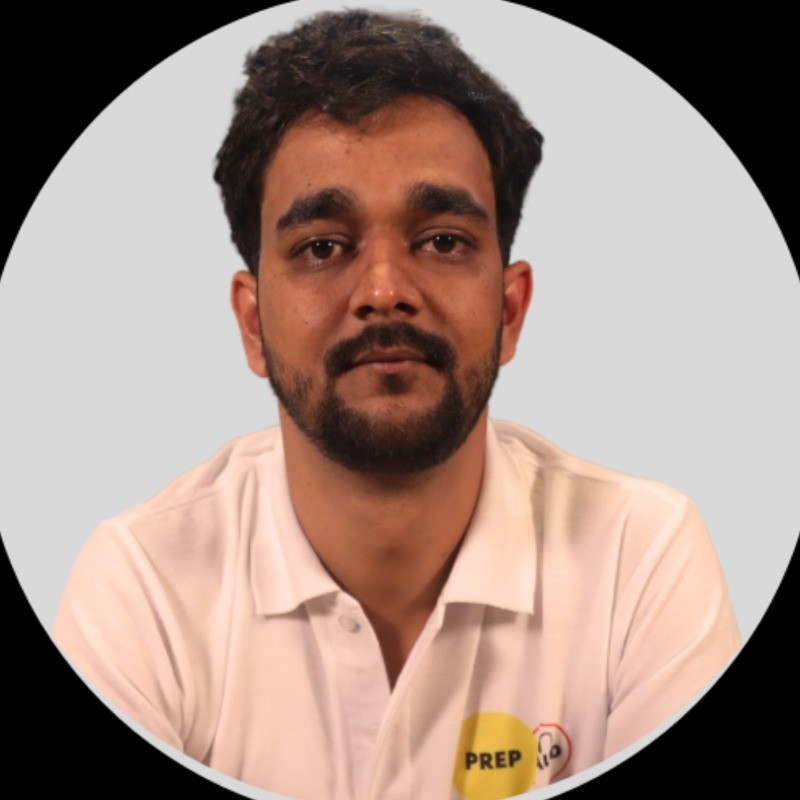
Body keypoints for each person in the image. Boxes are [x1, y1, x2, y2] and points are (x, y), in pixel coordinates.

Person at [53, 9, 740, 800]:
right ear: (253, 324)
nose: (383, 292)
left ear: (510, 311)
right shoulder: (143, 585)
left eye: (442, 240)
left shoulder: (638, 558)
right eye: (322, 247)